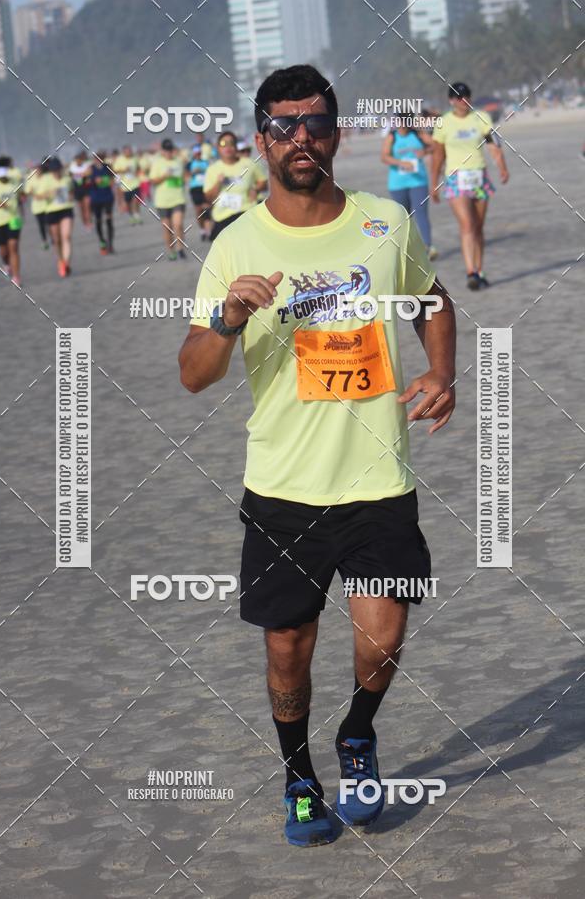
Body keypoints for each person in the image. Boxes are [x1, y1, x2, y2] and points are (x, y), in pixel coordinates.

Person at [179, 65, 456, 847]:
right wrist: (229, 320)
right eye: (283, 125)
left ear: (338, 131)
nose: (301, 137)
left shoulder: (383, 224)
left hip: (377, 481)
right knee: (289, 648)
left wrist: (443, 373)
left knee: (384, 636)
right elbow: (193, 374)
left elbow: (432, 302)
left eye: (315, 122)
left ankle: (358, 736)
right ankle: (300, 779)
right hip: (283, 488)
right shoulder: (237, 245)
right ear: (262, 139)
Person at [430, 82, 509, 290]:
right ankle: (470, 272)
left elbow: (493, 144)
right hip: (456, 180)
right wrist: (434, 183)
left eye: (466, 96)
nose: (463, 101)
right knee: (467, 225)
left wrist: (502, 166)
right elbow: (438, 154)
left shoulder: (481, 117)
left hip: (479, 177)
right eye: (458, 97)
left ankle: (480, 270)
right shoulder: (443, 123)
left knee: (478, 227)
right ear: (451, 101)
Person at [381, 116, 437, 259]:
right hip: (398, 184)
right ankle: (405, 249)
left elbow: (434, 145)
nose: (404, 125)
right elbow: (384, 157)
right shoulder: (392, 136)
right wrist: (401, 163)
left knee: (421, 214)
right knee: (403, 217)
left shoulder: (418, 133)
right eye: (401, 121)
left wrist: (425, 151)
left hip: (418, 182)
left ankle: (428, 247)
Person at [203, 131, 267, 240]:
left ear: (236, 146)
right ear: (218, 148)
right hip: (223, 217)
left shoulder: (250, 163)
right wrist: (218, 183)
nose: (228, 147)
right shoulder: (212, 169)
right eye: (223, 144)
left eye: (231, 143)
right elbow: (208, 198)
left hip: (246, 213)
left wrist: (256, 189)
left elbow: (264, 183)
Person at [0, 156, 23, 287]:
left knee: (14, 246)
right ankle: (6, 264)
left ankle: (17, 277)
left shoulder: (14, 182)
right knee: (4, 250)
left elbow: (21, 195)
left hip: (14, 219)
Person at [149, 138, 187, 260]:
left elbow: (183, 177)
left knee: (178, 224)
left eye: (171, 150)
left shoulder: (178, 161)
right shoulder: (157, 163)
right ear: (162, 151)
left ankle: (180, 248)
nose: (169, 153)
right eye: (166, 150)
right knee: (167, 228)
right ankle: (171, 250)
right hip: (162, 201)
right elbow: (153, 181)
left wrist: (183, 180)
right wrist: (164, 176)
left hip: (178, 198)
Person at [37, 156, 74, 277]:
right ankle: (61, 260)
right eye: (54, 171)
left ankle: (66, 263)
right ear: (51, 170)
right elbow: (38, 196)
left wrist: (70, 196)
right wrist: (49, 193)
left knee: (66, 236)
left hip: (66, 209)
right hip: (51, 212)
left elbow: (71, 191)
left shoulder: (66, 178)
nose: (57, 173)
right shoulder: (45, 179)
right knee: (57, 240)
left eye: (58, 170)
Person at [89, 151, 115, 255]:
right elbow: (84, 181)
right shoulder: (91, 169)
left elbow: (113, 179)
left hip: (107, 197)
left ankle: (110, 244)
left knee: (109, 220)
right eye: (96, 158)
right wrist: (93, 181)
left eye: (100, 158)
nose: (98, 160)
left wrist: (109, 181)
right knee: (98, 220)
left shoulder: (107, 167)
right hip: (96, 199)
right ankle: (102, 241)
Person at [186, 144, 213, 240]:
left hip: (205, 188)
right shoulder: (190, 164)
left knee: (207, 210)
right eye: (196, 153)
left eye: (199, 153)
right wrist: (193, 172)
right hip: (195, 189)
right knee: (199, 211)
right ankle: (202, 229)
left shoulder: (206, 162)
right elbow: (185, 176)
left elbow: (211, 173)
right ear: (194, 154)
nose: (198, 155)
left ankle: (208, 232)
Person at [24, 160, 50, 250]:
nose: (38, 171)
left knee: (49, 223)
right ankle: (44, 240)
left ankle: (53, 238)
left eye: (40, 169)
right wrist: (33, 194)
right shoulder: (30, 177)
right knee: (41, 225)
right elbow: (27, 191)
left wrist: (45, 195)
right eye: (37, 169)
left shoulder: (47, 177)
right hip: (37, 207)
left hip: (48, 205)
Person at [114, 145, 142, 224]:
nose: (129, 153)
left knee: (136, 199)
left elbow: (138, 167)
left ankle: (137, 215)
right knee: (128, 203)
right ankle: (131, 216)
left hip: (135, 183)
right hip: (125, 185)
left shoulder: (134, 158)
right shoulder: (119, 159)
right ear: (124, 152)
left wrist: (138, 172)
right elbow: (115, 170)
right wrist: (124, 170)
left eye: (130, 151)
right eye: (127, 151)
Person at [69, 151, 93, 229]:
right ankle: (84, 222)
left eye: (80, 159)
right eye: (77, 160)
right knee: (81, 208)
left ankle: (89, 222)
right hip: (77, 190)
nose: (79, 161)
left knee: (87, 207)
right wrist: (82, 174)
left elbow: (89, 172)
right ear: (75, 160)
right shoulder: (72, 167)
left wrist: (79, 175)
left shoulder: (86, 165)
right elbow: (71, 176)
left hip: (86, 189)